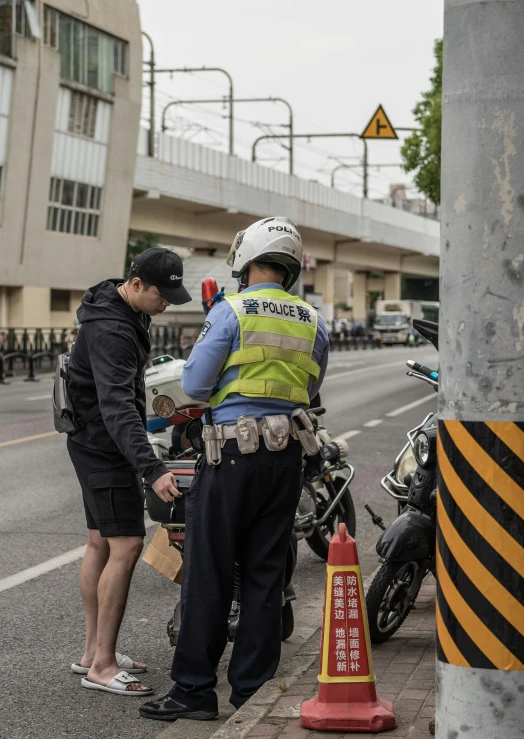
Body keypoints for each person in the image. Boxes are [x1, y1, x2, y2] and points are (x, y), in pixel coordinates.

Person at [140, 217, 329, 722]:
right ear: (289, 267)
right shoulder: (312, 318)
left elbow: (197, 384)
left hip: (231, 456)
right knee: (267, 573)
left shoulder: (232, 311)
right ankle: (252, 693)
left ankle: (194, 691)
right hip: (285, 457)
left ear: (246, 263)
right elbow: (311, 391)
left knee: (210, 572)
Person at [66, 247, 192, 696]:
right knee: (128, 544)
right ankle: (102, 665)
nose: (167, 304)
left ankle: (91, 653)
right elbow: (118, 406)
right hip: (104, 445)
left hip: (90, 438)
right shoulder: (114, 330)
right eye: (163, 295)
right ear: (136, 285)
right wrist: (153, 467)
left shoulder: (113, 305)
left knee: (100, 540)